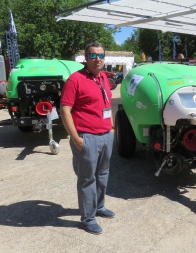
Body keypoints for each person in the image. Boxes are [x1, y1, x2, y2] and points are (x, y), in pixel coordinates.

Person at [60, 41, 115, 235]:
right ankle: (87, 218)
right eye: (93, 55)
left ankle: (99, 207)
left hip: (106, 135)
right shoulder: (75, 79)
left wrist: (112, 128)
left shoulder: (103, 78)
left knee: (103, 175)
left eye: (100, 55)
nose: (97, 59)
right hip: (87, 137)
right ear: (86, 58)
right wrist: (75, 138)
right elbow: (65, 110)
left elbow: (108, 105)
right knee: (87, 180)